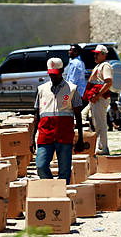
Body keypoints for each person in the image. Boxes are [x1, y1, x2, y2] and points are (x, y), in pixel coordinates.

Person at [30, 57, 84, 185]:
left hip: (64, 135)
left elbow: (78, 115)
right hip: (45, 135)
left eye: (55, 75)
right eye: (51, 75)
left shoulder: (72, 89)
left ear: (61, 72)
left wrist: (80, 138)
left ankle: (61, 197)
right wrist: (31, 138)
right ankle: (52, 188)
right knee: (41, 166)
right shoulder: (41, 89)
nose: (53, 78)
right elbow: (36, 116)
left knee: (64, 171)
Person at [83, 44, 113, 155]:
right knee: (95, 124)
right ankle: (99, 147)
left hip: (99, 99)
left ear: (103, 55)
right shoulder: (98, 65)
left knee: (100, 124)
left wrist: (97, 95)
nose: (95, 56)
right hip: (95, 99)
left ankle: (102, 149)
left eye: (97, 54)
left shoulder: (105, 66)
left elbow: (108, 82)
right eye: (94, 54)